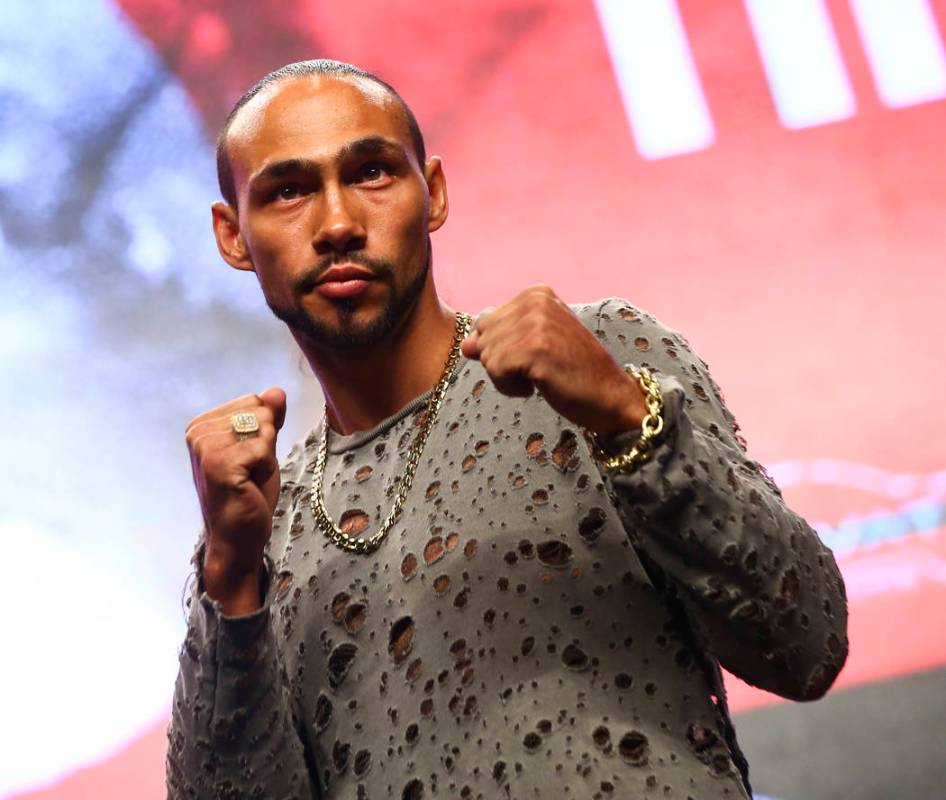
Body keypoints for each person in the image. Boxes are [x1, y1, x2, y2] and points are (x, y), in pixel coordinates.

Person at [166, 59, 848, 800]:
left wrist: (624, 416)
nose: (337, 224)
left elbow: (805, 645)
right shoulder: (260, 530)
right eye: (290, 190)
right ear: (233, 236)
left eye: (371, 172)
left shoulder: (599, 359)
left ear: (435, 195)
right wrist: (231, 577)